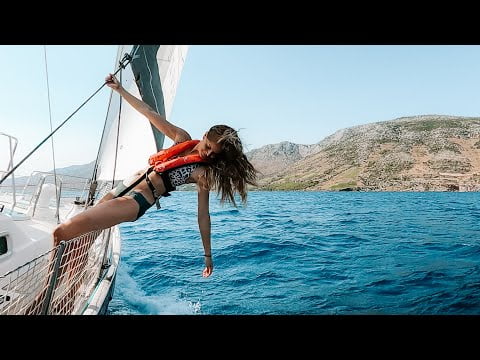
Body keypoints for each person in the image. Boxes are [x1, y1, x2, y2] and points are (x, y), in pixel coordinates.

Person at [52, 73, 258, 278]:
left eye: (214, 154)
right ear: (204, 136)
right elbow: (149, 112)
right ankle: (64, 292)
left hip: (136, 200)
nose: (209, 154)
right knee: (80, 241)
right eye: (208, 147)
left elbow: (203, 215)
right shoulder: (182, 138)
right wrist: (119, 89)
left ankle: (49, 295)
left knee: (61, 233)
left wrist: (207, 255)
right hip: (124, 187)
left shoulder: (203, 173)